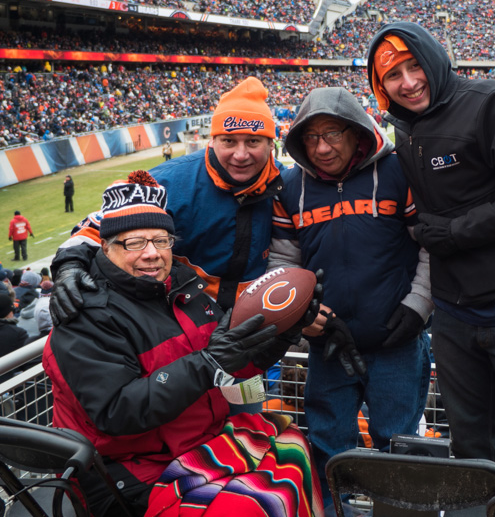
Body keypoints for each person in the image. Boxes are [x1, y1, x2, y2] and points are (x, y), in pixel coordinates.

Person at [367, 21, 495, 499]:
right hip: (456, 315)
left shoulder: (491, 103)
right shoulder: (404, 125)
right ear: (381, 86)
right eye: (393, 75)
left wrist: (455, 232)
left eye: (414, 66)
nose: (409, 82)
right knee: (470, 453)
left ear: (434, 59)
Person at [42, 170, 320, 516]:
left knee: (295, 446)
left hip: (197, 441)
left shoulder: (185, 288)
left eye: (161, 240)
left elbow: (231, 363)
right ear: (106, 247)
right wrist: (208, 364)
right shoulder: (84, 315)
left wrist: (285, 333)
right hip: (129, 471)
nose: (151, 254)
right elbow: (117, 412)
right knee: (249, 507)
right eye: (134, 242)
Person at [268, 86, 433, 514]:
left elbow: (432, 246)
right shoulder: (291, 187)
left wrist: (418, 306)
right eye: (310, 138)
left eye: (333, 134)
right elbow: (284, 264)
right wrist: (301, 314)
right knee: (326, 450)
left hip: (397, 344)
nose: (322, 148)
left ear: (357, 131)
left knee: (398, 447)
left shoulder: (399, 172)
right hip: (329, 348)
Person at [50, 77, 285, 324]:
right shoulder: (166, 182)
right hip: (182, 322)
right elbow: (99, 226)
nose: (240, 154)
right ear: (212, 140)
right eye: (228, 141)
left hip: (257, 323)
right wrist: (70, 265)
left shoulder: (286, 183)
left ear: (271, 144)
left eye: (253, 141)